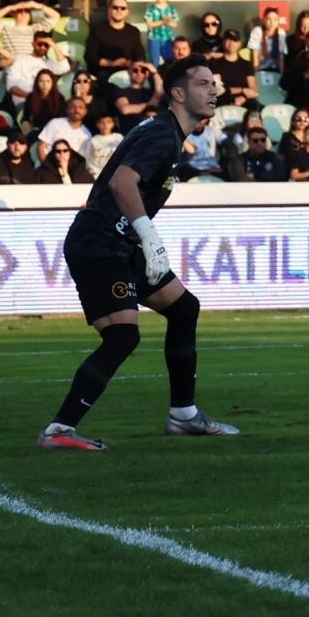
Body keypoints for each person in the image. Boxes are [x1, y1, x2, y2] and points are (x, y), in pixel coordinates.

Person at [36, 59, 240, 451]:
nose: (214, 90)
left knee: (184, 309)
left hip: (121, 241)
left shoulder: (168, 134)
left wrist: (141, 237)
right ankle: (58, 431)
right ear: (178, 93)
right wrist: (150, 236)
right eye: (203, 83)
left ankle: (183, 415)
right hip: (100, 243)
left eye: (214, 83)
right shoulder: (162, 135)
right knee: (122, 337)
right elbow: (121, 183)